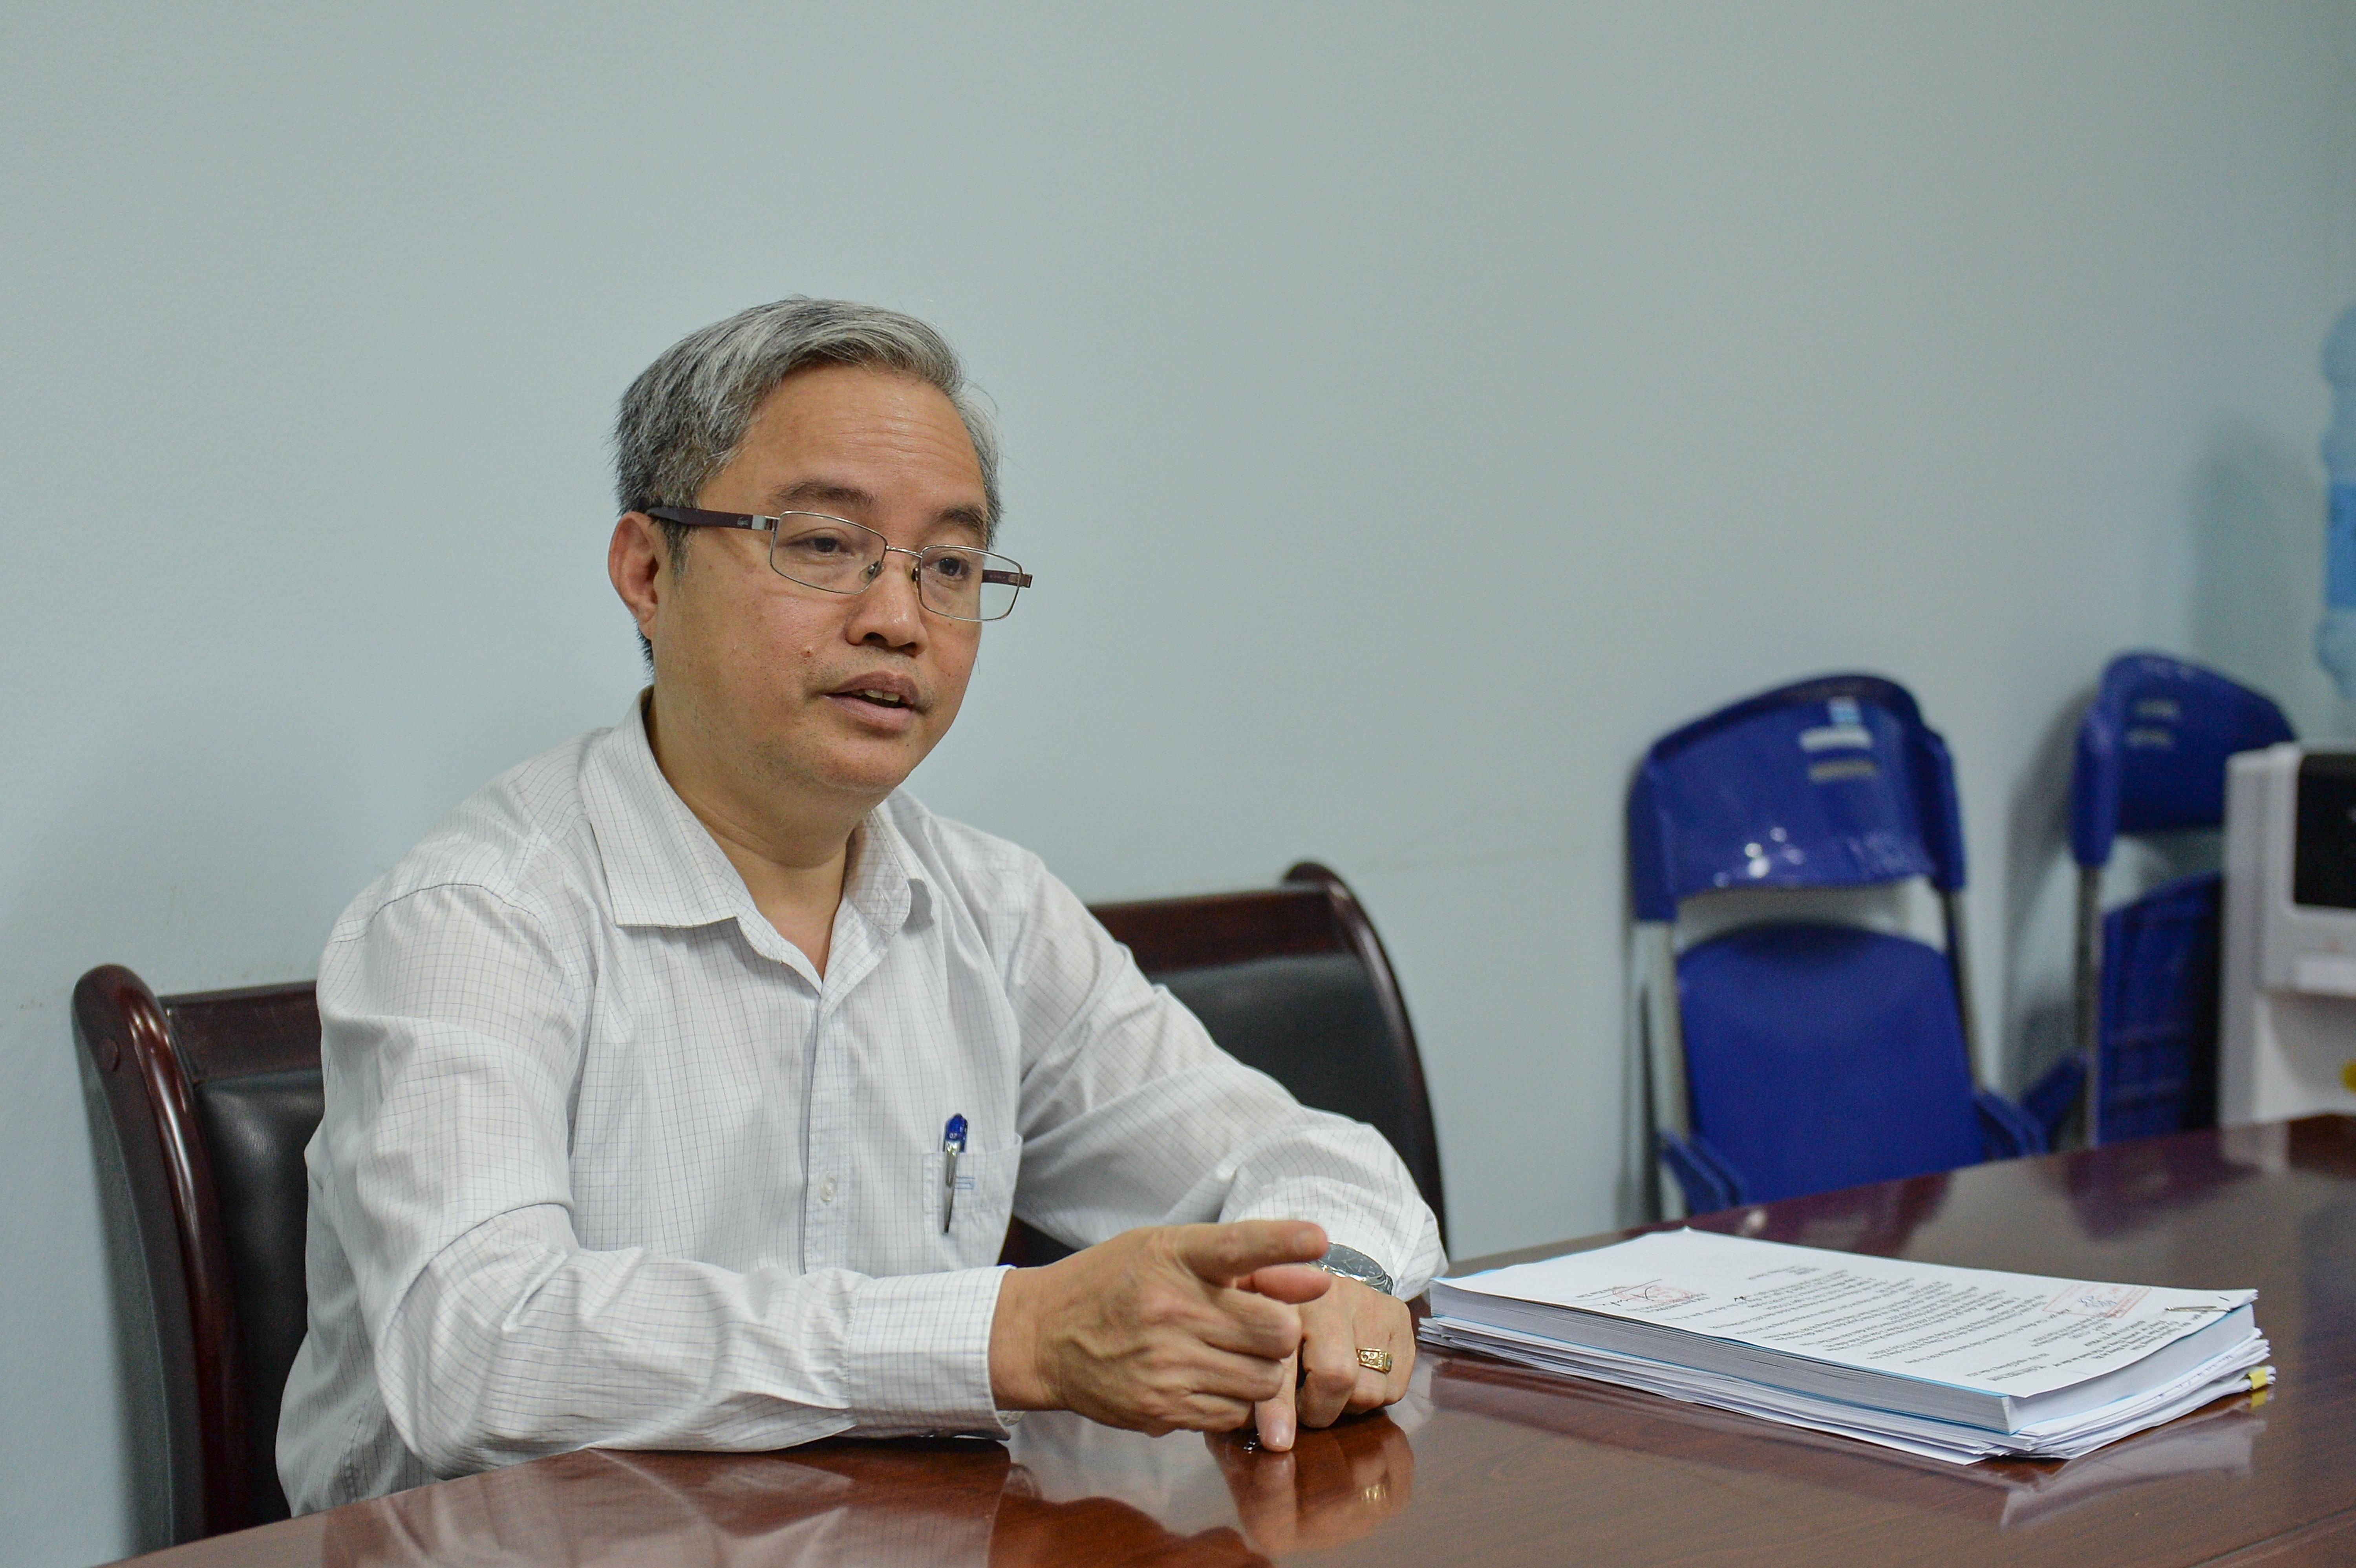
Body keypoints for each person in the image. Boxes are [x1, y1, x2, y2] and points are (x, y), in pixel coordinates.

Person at [277, 299, 1444, 1511]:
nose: (898, 618)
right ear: (648, 572)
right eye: (826, 544)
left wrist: (1341, 1285)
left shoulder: (991, 910)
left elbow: (1305, 1158)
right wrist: (1007, 1335)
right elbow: (478, 1344)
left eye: (949, 566)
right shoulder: (472, 917)